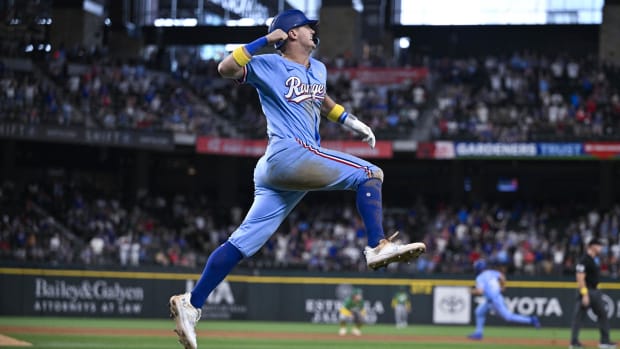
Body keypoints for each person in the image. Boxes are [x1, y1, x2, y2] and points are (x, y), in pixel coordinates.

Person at [167, 9, 426, 349]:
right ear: (290, 34)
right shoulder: (268, 64)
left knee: (242, 242)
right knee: (370, 173)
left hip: (282, 172)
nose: (313, 32)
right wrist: (263, 41)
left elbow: (321, 100)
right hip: (289, 152)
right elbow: (225, 68)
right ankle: (377, 246)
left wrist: (352, 122)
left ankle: (192, 303)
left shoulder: (318, 69)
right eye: (307, 27)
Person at [467, 259, 540, 340]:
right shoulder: (491, 272)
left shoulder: (480, 277)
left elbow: (480, 291)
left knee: (508, 317)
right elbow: (502, 276)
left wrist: (471, 291)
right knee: (479, 312)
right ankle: (478, 333)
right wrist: (503, 286)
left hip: (495, 300)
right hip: (492, 299)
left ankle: (531, 320)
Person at [569, 238, 616, 349]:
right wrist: (585, 294)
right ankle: (574, 342)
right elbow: (580, 278)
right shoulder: (584, 259)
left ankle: (604, 342)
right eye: (599, 246)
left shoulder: (594, 259)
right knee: (578, 317)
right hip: (587, 291)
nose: (601, 248)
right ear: (592, 246)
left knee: (602, 314)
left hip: (594, 291)